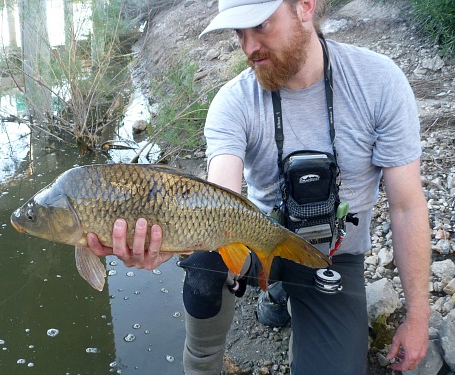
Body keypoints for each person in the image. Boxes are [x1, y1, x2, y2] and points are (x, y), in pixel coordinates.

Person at [87, 0, 432, 373]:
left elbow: (407, 207)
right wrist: (168, 240)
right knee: (204, 263)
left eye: (261, 26)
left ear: (305, 7)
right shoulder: (233, 101)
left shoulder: (379, 82)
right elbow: (218, 200)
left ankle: (286, 297)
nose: (249, 46)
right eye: (239, 32)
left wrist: (418, 317)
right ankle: (207, 361)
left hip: (334, 255)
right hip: (258, 240)